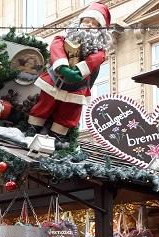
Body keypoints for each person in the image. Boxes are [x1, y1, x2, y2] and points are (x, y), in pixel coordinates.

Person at [27, 2, 112, 143]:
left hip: (77, 87)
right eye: (87, 21)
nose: (89, 25)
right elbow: (56, 47)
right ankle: (33, 127)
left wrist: (79, 70)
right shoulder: (64, 37)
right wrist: (62, 66)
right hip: (55, 80)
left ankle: (57, 138)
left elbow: (95, 60)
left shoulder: (99, 51)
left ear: (100, 29)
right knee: (45, 103)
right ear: (79, 22)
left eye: (94, 23)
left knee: (69, 111)